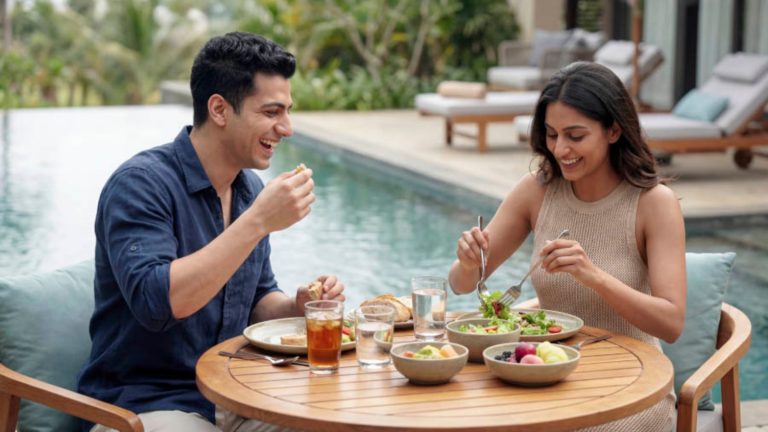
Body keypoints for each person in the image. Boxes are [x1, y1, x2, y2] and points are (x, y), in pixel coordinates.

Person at [77, 32, 344, 432]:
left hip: (232, 395)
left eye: (287, 111)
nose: (286, 128)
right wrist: (257, 221)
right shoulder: (140, 185)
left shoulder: (247, 188)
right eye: (271, 112)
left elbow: (256, 297)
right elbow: (158, 304)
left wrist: (297, 306)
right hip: (140, 406)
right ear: (219, 109)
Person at [448, 62, 686, 431]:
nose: (561, 149)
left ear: (613, 130)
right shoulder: (536, 190)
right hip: (545, 377)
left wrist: (594, 276)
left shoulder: (654, 204)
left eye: (575, 136)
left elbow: (671, 323)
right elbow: (461, 285)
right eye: (552, 134)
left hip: (629, 386)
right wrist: (467, 261)